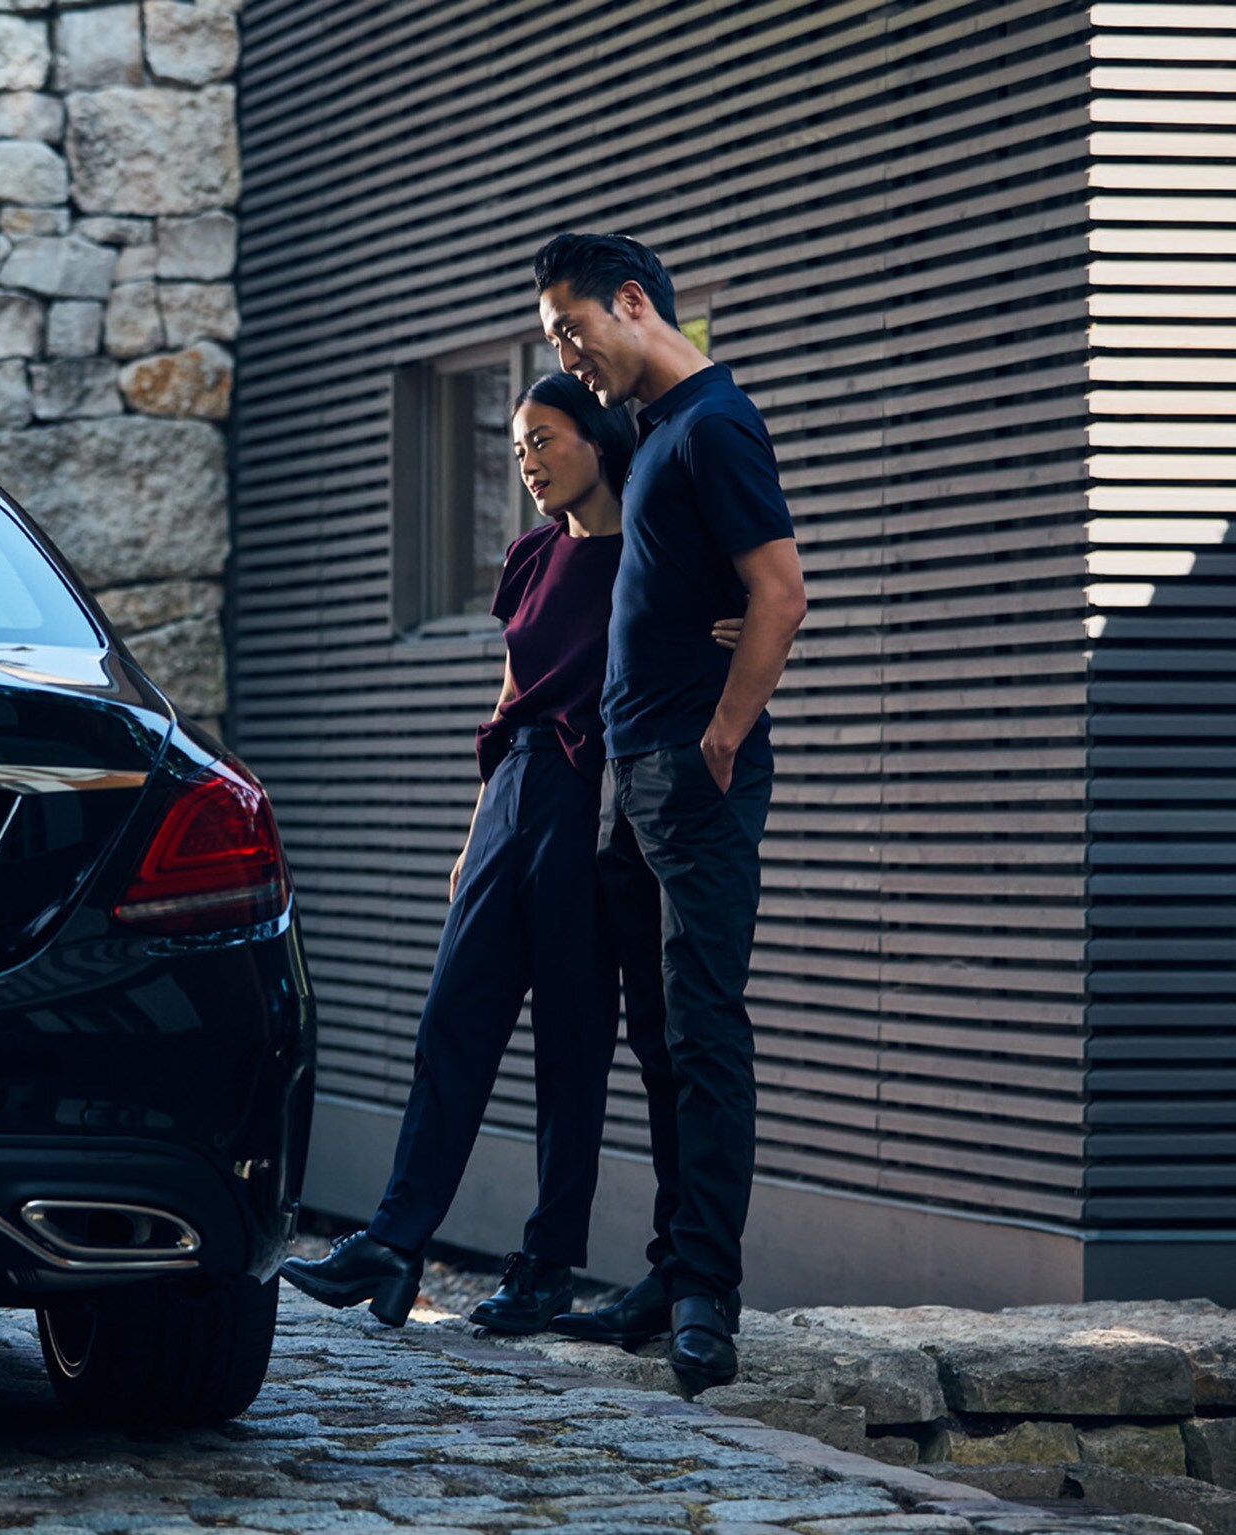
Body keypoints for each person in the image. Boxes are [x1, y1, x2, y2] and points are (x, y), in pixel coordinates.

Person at [279, 373, 738, 1331]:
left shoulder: (652, 558)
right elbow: (504, 704)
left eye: (544, 439)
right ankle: (397, 1242)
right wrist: (472, 831)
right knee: (454, 1013)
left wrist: (725, 630)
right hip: (513, 795)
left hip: (590, 804)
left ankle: (544, 1268)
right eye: (517, 444)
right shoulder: (529, 557)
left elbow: (738, 616)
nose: (527, 459)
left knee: (575, 1047)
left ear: (597, 438)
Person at [529, 233, 806, 1392]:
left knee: (702, 1029)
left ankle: (707, 1294)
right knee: (653, 1033)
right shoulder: (650, 437)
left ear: (630, 301)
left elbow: (782, 586)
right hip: (632, 770)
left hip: (694, 772)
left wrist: (728, 729)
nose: (565, 355)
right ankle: (661, 1272)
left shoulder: (718, 425)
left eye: (568, 330)